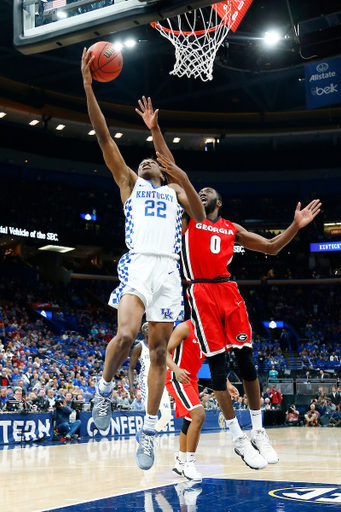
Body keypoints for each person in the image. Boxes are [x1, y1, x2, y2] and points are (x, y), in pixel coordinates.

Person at [143, 100, 321, 467]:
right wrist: (154, 129)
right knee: (220, 369)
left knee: (249, 363)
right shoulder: (189, 217)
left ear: (219, 202)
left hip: (227, 290)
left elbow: (272, 248)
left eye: (208, 192)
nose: (202, 193)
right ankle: (236, 435)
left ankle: (257, 431)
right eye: (200, 191)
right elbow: (171, 168)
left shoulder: (231, 229)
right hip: (200, 290)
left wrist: (295, 226)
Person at [81, 57, 205, 472]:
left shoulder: (174, 193)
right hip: (138, 265)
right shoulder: (129, 185)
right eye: (144, 160)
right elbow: (103, 137)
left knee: (155, 353)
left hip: (170, 272)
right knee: (125, 333)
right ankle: (103, 390)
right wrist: (88, 86)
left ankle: (148, 433)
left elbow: (199, 211)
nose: (146, 161)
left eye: (151, 160)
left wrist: (156, 133)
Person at [166, 319, 241, 481]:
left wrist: (227, 384)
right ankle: (190, 465)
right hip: (177, 376)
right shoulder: (184, 328)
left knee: (189, 421)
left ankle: (180, 461)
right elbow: (163, 352)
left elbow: (215, 364)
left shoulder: (209, 333)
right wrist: (176, 369)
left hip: (192, 380)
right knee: (199, 415)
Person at [128, 323, 171, 434]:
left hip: (161, 381)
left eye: (149, 327)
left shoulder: (161, 345)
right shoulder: (139, 346)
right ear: (142, 332)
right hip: (146, 380)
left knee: (167, 416)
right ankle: (147, 438)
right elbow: (131, 367)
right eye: (145, 328)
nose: (148, 329)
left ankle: (147, 434)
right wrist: (131, 385)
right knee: (151, 414)